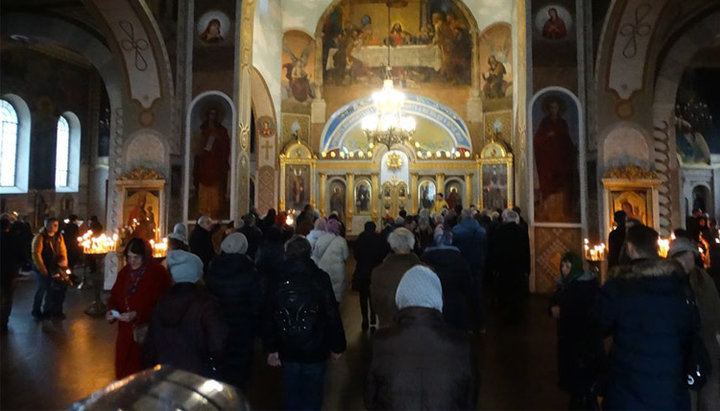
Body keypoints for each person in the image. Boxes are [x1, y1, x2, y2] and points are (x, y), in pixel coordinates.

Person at [597, 225, 695, 409]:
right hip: (670, 389)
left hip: (628, 389)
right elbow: (689, 329)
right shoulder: (677, 283)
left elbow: (599, 325)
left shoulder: (619, 286)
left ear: (630, 249)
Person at [365, 265, 476, 410]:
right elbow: (470, 401)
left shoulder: (380, 342)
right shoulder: (461, 345)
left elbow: (370, 399)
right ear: (438, 297)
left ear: (400, 297)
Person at [263, 235, 346, 411]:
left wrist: (271, 348)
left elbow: (269, 315)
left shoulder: (277, 277)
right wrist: (337, 346)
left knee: (291, 393)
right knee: (313, 395)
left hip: (286, 345)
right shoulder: (320, 277)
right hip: (315, 345)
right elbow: (331, 312)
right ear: (309, 253)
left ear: (287, 253)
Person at [143, 249, 227, 379]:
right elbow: (217, 343)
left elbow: (150, 345)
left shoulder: (161, 303)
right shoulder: (206, 304)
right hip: (198, 375)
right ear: (196, 275)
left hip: (166, 375)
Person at [106, 238, 172, 379]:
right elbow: (114, 296)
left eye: (136, 257)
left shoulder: (157, 273)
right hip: (126, 333)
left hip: (147, 333)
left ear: (145, 256)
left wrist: (138, 314)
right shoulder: (125, 273)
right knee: (124, 373)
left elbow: (163, 303)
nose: (132, 261)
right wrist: (111, 311)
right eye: (129, 257)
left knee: (143, 374)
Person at [205, 233, 263, 388]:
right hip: (243, 328)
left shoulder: (213, 268)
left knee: (221, 368)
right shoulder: (250, 271)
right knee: (240, 371)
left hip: (217, 326)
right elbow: (256, 302)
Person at [669, 237, 720, 409]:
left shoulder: (702, 279)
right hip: (692, 348)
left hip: (702, 346)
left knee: (706, 394)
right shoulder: (678, 280)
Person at [548, 252, 604, 409]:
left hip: (581, 342)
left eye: (567, 266)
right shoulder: (567, 284)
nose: (564, 270)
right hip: (572, 339)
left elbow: (580, 310)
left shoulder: (581, 287)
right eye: (563, 266)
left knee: (581, 378)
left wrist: (562, 310)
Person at [533, 96, 578, 222]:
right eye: (552, 107)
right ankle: (547, 211)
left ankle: (564, 211)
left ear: (559, 109)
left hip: (561, 157)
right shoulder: (545, 123)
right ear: (549, 109)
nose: (554, 110)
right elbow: (537, 139)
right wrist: (548, 136)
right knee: (549, 182)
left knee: (563, 182)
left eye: (556, 107)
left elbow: (566, 139)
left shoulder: (562, 122)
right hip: (548, 158)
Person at [421, 231, 474, 331]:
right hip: (457, 303)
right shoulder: (460, 258)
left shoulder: (425, 258)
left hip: (433, 304)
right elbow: (467, 283)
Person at [371, 228, 422, 329]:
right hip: (416, 330)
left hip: (387, 330)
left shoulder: (378, 272)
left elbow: (375, 304)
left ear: (392, 244)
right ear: (412, 244)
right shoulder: (424, 271)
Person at [488, 209, 530, 325]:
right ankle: (517, 314)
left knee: (505, 289)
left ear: (505, 219)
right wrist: (527, 268)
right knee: (516, 290)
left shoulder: (499, 231)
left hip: (503, 266)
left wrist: (494, 266)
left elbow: (495, 249)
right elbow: (526, 251)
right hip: (518, 267)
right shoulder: (521, 231)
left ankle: (504, 313)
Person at [452, 208, 488, 328]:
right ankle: (479, 323)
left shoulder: (457, 230)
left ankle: (465, 322)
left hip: (462, 263)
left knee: (463, 293)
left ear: (462, 217)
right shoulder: (480, 230)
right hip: (477, 262)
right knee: (477, 292)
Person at [193, 108, 230, 218]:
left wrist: (217, 143)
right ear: (207, 115)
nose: (212, 116)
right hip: (204, 162)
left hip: (215, 163)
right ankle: (202, 209)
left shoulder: (221, 130)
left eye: (214, 114)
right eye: (210, 113)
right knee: (203, 184)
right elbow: (198, 145)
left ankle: (215, 210)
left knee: (216, 186)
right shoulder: (202, 129)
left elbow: (225, 146)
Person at [31, 217, 68, 320]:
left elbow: (63, 250)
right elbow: (36, 254)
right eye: (53, 225)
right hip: (42, 266)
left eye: (56, 225)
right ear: (47, 225)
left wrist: (63, 264)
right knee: (42, 287)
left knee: (51, 289)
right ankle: (36, 310)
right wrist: (42, 269)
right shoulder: (40, 237)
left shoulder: (59, 237)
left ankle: (47, 310)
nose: (55, 227)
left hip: (53, 266)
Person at [353, 221, 387, 331]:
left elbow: (356, 254)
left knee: (362, 296)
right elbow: (384, 251)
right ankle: (373, 316)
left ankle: (364, 318)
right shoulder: (378, 238)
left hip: (362, 270)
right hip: (375, 270)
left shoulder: (360, 239)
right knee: (373, 294)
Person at [312, 219, 349, 303]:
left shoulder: (320, 239)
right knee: (337, 292)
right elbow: (346, 256)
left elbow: (316, 254)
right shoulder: (341, 241)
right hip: (338, 270)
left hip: (323, 268)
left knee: (325, 290)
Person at [1, 216, 20, 331]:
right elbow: (20, 254)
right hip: (10, 271)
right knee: (7, 297)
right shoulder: (13, 238)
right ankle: (3, 322)